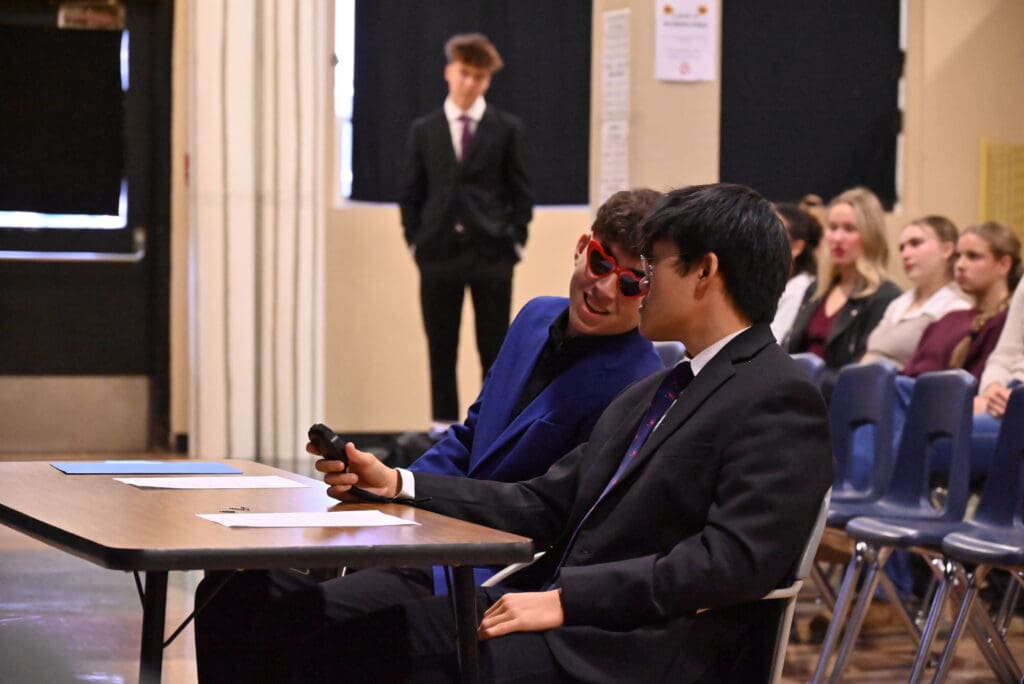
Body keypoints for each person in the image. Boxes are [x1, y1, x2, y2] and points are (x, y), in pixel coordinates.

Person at [194, 183, 833, 683]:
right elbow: (541, 501)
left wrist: (569, 600)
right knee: (292, 616)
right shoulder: (661, 390)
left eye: (653, 268)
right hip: (564, 612)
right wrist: (397, 482)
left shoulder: (777, 394)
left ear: (704, 273)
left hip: (637, 650)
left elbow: (733, 562)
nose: (637, 289)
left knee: (352, 647)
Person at [406, 187, 664, 589]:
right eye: (601, 263)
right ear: (582, 247)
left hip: (503, 574)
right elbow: (472, 438)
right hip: (442, 535)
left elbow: (551, 515)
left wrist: (406, 490)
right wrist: (387, 488)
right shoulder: (533, 315)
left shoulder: (640, 383)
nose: (605, 289)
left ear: (652, 295)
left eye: (632, 284)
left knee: (317, 613)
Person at [399, 33, 534, 435]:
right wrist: (415, 239)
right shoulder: (425, 130)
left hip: (491, 253)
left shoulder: (506, 128)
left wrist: (516, 239)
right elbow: (411, 192)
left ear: (487, 81)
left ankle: (489, 426)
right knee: (441, 344)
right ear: (449, 72)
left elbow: (521, 190)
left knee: (493, 346)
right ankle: (442, 426)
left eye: (478, 76)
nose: (470, 83)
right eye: (464, 73)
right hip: (438, 252)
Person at [786, 186, 901, 398]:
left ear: (870, 236)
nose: (837, 238)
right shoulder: (817, 290)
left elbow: (860, 374)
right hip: (797, 394)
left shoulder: (884, 296)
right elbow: (789, 348)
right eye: (833, 227)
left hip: (837, 402)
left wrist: (802, 381)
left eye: (849, 229)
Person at [900, 221, 1021, 381]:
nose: (960, 265)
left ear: (1004, 264)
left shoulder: (1004, 323)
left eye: (973, 256)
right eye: (958, 256)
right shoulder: (950, 318)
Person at [861, 216, 969, 369]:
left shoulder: (957, 309)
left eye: (915, 243)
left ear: (946, 250)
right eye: (902, 248)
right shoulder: (898, 303)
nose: (905, 254)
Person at [771, 203, 823, 343]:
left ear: (796, 247)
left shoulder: (801, 287)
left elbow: (776, 340)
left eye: (774, 232)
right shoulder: (765, 284)